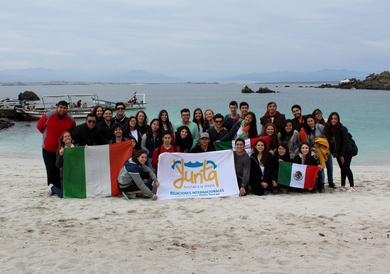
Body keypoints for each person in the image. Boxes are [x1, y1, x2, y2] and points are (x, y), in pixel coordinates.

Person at [37, 100, 76, 190]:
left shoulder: (70, 119)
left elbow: (72, 131)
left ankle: (60, 186)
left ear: (67, 109)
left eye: (64, 108)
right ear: (57, 108)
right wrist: (48, 136)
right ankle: (52, 187)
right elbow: (39, 127)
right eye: (60, 107)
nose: (62, 110)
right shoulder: (47, 116)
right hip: (48, 148)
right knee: (50, 169)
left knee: (62, 169)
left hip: (63, 149)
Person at [324, 112, 356, 192]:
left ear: (338, 120)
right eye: (332, 118)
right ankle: (343, 186)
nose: (333, 120)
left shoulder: (342, 128)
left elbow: (345, 143)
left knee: (346, 167)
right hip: (338, 152)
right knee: (342, 168)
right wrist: (334, 153)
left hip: (347, 151)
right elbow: (331, 143)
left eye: (335, 119)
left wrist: (342, 155)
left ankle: (352, 186)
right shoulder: (329, 129)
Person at [54, 131, 74, 198]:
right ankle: (52, 188)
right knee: (63, 195)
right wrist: (61, 155)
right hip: (65, 175)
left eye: (69, 136)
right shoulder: (60, 150)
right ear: (62, 140)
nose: (67, 137)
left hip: (75, 175)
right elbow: (58, 165)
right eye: (65, 136)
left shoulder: (76, 147)